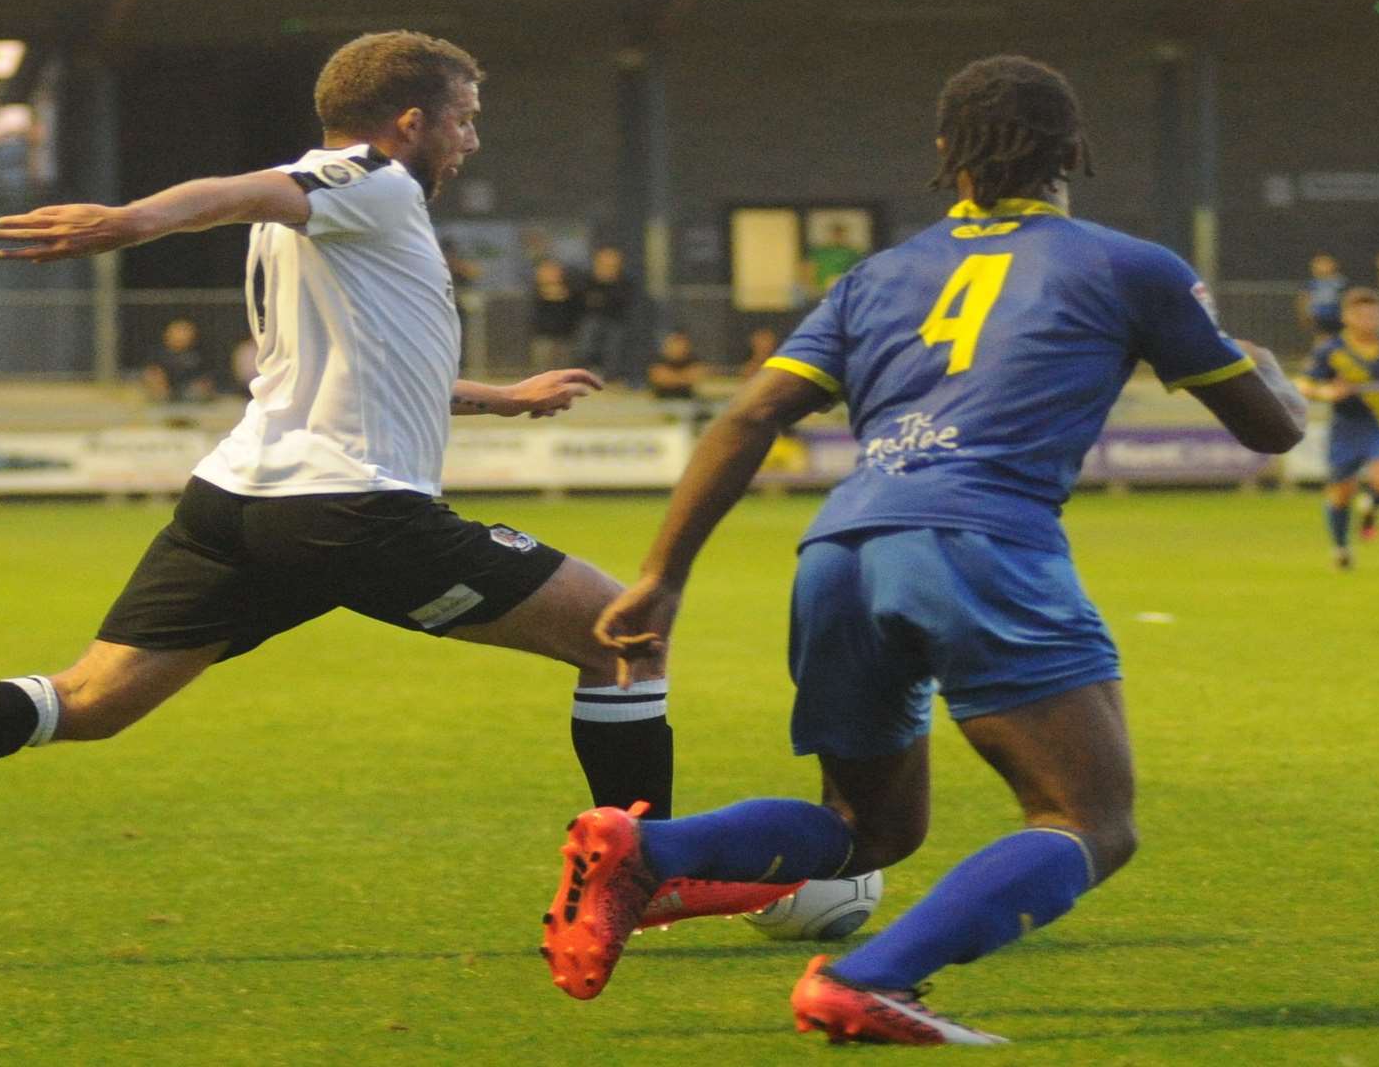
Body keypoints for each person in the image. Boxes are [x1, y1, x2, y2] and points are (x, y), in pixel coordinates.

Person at [0, 31, 789, 929]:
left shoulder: (343, 217)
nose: (471, 139)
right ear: (408, 122)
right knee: (622, 632)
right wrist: (132, 221)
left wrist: (497, 399)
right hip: (351, 510)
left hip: (237, 503)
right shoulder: (360, 182)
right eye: (464, 118)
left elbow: (334, 364)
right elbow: (238, 194)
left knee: (92, 702)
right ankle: (636, 878)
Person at [537, 54, 1306, 1043]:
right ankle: (869, 978)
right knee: (1088, 819)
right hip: (981, 543)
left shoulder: (879, 275)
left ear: (947, 155)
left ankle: (644, 846)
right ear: (1077, 149)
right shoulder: (1127, 265)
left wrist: (662, 574)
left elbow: (751, 415)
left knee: (872, 828)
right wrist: (1273, 374)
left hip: (844, 549)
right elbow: (1270, 433)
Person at [1295, 287, 1379, 570]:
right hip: (1347, 429)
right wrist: (1327, 393)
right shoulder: (1331, 351)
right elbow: (1303, 384)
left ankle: (1370, 505)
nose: (1368, 319)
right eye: (1361, 314)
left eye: (1373, 314)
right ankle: (1341, 549)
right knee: (1341, 494)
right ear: (1346, 317)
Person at [575, 245, 636, 385]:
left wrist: (608, 286)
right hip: (591, 319)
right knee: (586, 345)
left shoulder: (624, 281)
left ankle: (610, 378)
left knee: (613, 348)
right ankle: (584, 375)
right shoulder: (588, 279)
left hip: (616, 321)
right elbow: (583, 299)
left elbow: (621, 301)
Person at [142, 317, 217, 403]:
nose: (183, 335)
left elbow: (207, 378)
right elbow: (152, 373)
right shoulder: (156, 354)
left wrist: (203, 385)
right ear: (167, 334)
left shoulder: (199, 354)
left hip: (191, 395)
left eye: (186, 331)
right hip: (162, 395)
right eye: (178, 331)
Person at [528, 257, 581, 372]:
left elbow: (575, 312)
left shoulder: (572, 291)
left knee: (564, 369)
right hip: (543, 336)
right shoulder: (534, 293)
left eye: (554, 271)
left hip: (566, 336)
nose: (551, 274)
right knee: (543, 368)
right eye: (546, 272)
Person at [804, 221, 866, 299]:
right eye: (836, 234)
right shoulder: (820, 252)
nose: (838, 237)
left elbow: (860, 272)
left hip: (845, 292)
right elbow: (808, 269)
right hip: (821, 292)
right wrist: (811, 288)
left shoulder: (853, 253)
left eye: (840, 234)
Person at [1296, 251, 1348, 343]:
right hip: (1320, 316)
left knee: (1341, 338)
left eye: (1326, 263)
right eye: (1319, 264)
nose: (1323, 267)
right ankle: (1319, 355)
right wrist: (1303, 314)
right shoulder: (1311, 283)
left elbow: (1347, 297)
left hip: (1337, 315)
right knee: (1321, 338)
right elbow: (1304, 298)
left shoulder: (1340, 282)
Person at [646, 330, 706, 401]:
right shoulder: (657, 360)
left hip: (687, 403)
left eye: (682, 343)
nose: (679, 347)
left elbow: (697, 376)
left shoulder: (694, 361)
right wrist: (685, 376)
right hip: (661, 403)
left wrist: (671, 377)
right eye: (675, 343)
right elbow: (660, 378)